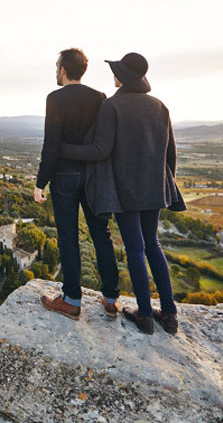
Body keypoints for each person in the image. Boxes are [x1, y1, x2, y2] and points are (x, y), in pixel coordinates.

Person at [60, 52, 185, 335]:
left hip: (126, 190)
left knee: (135, 249)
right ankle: (169, 313)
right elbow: (171, 154)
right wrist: (165, 184)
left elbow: (100, 150)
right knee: (153, 245)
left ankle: (144, 313)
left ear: (123, 78)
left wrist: (62, 150)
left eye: (116, 71)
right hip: (155, 188)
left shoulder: (113, 106)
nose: (113, 75)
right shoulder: (159, 106)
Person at [34, 48, 119, 321]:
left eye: (56, 65)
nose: (56, 70)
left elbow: (52, 144)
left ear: (62, 70)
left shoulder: (55, 98)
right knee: (101, 234)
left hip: (64, 176)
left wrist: (40, 182)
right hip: (93, 176)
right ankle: (110, 298)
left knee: (69, 238)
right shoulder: (100, 98)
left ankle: (71, 300)